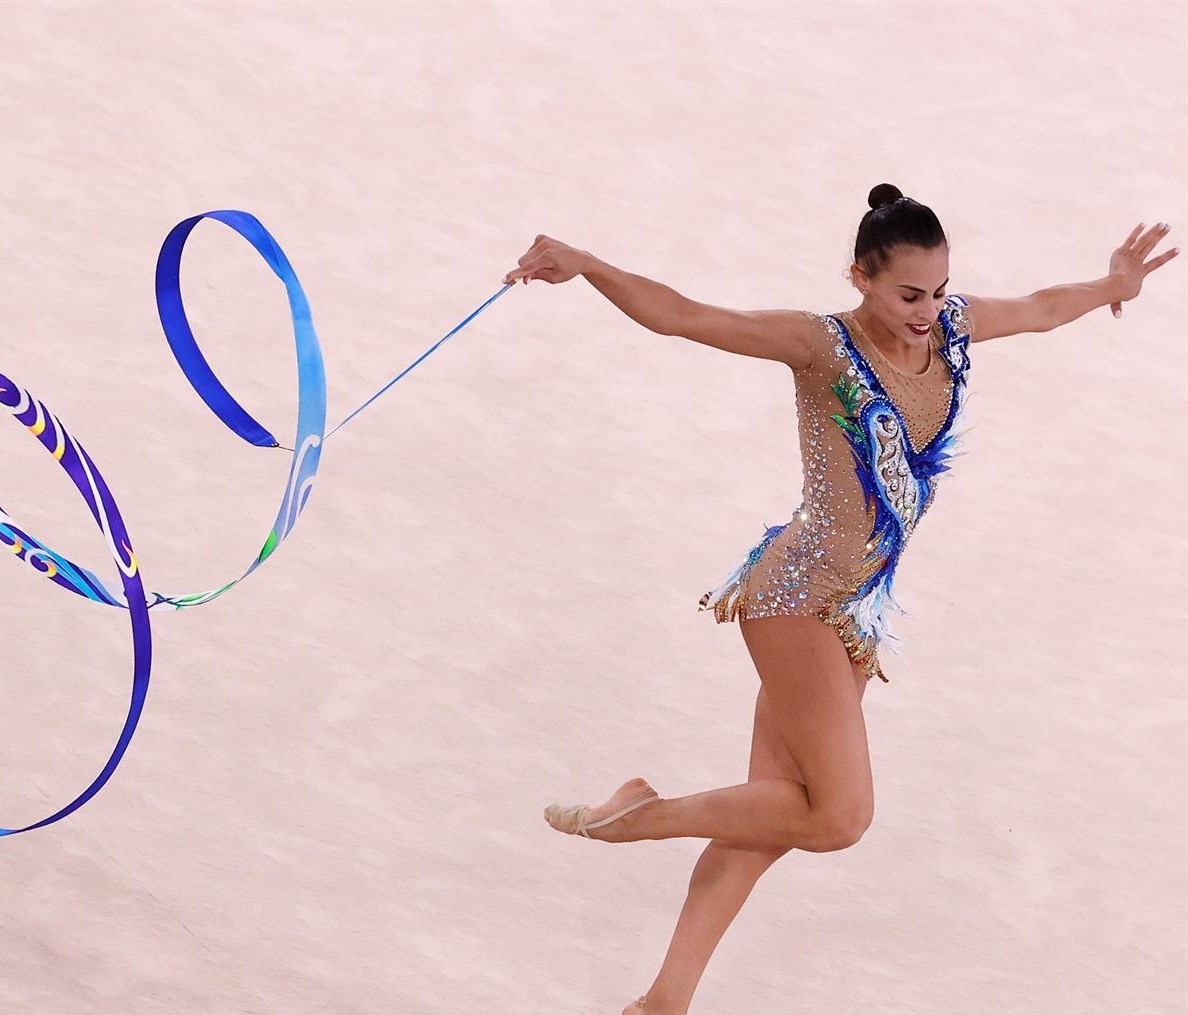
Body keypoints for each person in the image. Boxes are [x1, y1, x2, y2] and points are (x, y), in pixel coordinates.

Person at [502, 184, 1177, 1015]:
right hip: (793, 596)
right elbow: (685, 315)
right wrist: (588, 264)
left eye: (938, 290)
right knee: (840, 816)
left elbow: (1039, 308)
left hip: (853, 610)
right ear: (860, 276)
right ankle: (640, 814)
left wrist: (1113, 284)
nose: (928, 311)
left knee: (769, 819)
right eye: (908, 294)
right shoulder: (820, 345)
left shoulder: (951, 328)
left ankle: (661, 1002)